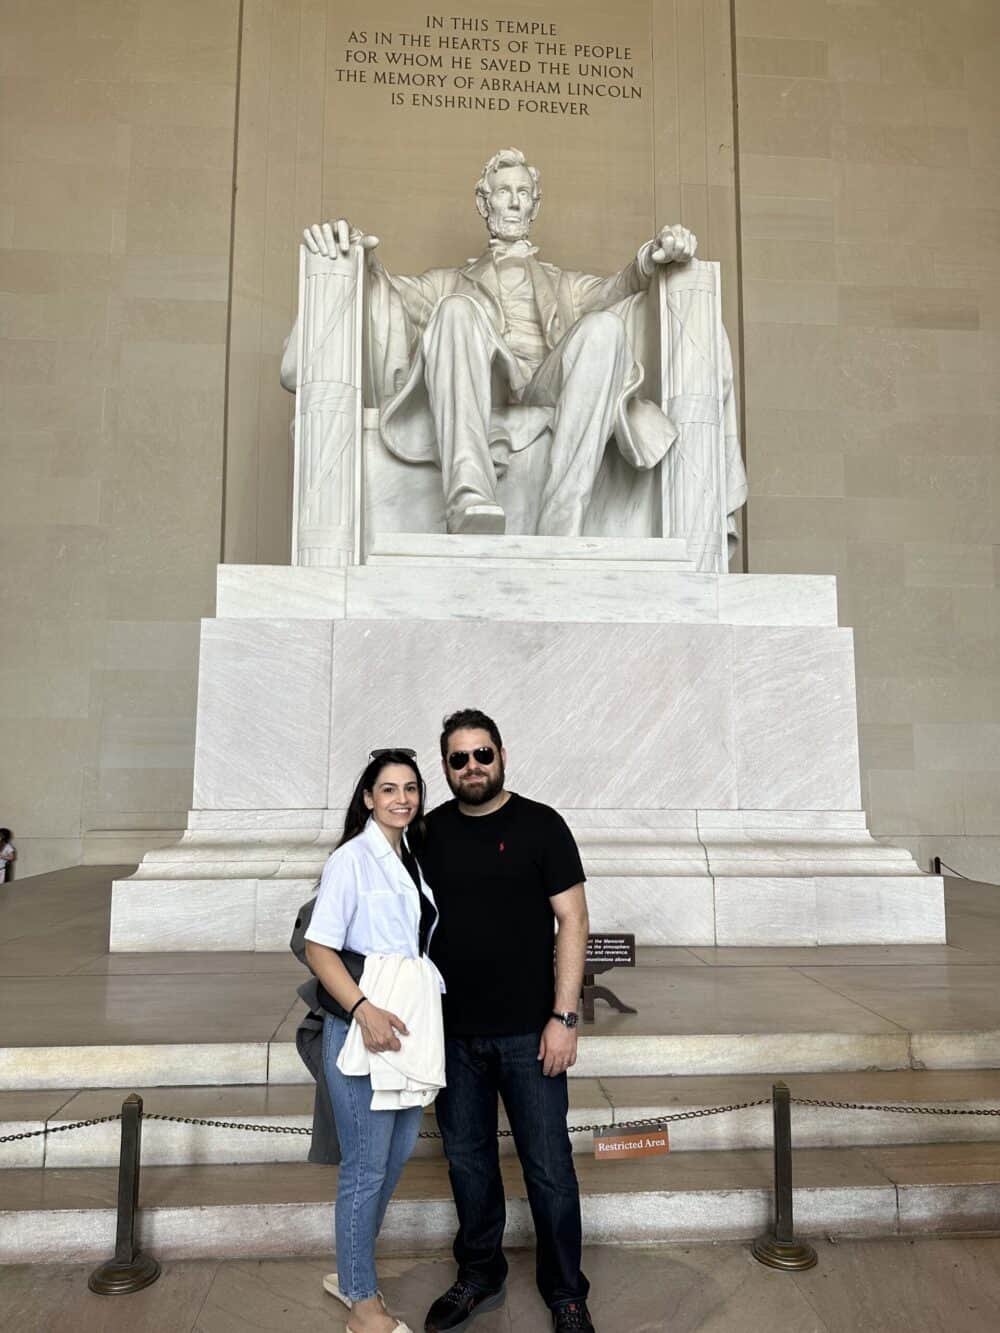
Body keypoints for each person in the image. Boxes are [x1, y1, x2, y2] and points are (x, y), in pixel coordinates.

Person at [282, 147, 748, 544]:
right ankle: (468, 494)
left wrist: (651, 257)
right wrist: (355, 252)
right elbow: (388, 290)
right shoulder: (448, 283)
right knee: (456, 310)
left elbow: (617, 288)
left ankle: (563, 516)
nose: (513, 202)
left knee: (605, 328)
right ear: (484, 204)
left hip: (546, 383)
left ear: (535, 206)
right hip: (484, 376)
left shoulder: (562, 284)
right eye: (503, 191)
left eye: (523, 193)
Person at [417, 709, 595, 1333]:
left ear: (502, 755)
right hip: (451, 1035)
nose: (472, 768)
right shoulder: (428, 832)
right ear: (445, 768)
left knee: (548, 1166)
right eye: (459, 759)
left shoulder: (541, 825)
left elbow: (573, 920)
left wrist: (564, 1016)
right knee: (467, 1162)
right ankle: (479, 1272)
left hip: (530, 1032)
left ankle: (566, 1289)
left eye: (482, 755)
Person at [305, 750, 443, 1333]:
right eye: (388, 789)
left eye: (410, 788)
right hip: (361, 1027)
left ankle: (349, 1266)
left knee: (396, 1155)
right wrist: (362, 1010)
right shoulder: (350, 859)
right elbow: (320, 947)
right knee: (365, 1167)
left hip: (408, 1026)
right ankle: (362, 1301)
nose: (401, 799)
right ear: (367, 797)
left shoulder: (412, 855)